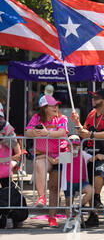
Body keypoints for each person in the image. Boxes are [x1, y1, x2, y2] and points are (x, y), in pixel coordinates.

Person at [71, 89, 104, 227]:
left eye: (96, 98)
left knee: (98, 175)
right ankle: (93, 215)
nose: (93, 100)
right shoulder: (92, 114)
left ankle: (96, 198)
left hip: (103, 152)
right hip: (88, 152)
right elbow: (83, 132)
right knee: (89, 182)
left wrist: (91, 135)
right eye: (92, 97)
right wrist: (77, 122)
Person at [25, 95, 69, 228]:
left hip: (62, 156)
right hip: (44, 156)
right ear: (44, 108)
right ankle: (41, 197)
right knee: (38, 163)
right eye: (52, 105)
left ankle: (53, 217)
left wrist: (46, 133)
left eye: (57, 105)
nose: (56, 107)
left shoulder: (62, 118)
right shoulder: (36, 118)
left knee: (55, 188)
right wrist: (35, 132)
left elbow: (62, 132)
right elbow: (27, 132)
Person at [63, 135, 93, 219]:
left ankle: (79, 206)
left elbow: (91, 159)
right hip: (68, 182)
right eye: (72, 145)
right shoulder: (66, 154)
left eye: (77, 145)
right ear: (68, 146)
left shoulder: (83, 154)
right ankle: (69, 220)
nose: (75, 147)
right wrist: (45, 156)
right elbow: (55, 161)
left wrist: (99, 156)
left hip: (81, 182)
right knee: (68, 203)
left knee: (90, 190)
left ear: (80, 146)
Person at [0, 110, 21, 188]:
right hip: (5, 162)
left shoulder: (8, 129)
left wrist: (3, 139)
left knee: (7, 190)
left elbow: (17, 152)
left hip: (5, 167)